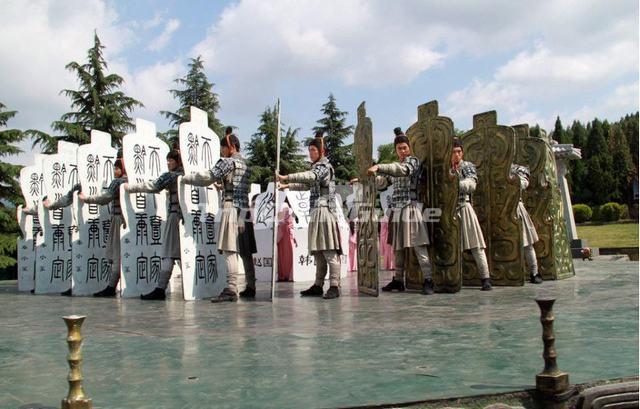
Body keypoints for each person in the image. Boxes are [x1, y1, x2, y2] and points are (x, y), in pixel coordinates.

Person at [182, 132, 257, 302]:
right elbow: (238, 186)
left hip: (230, 207)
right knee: (245, 251)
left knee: (231, 248)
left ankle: (231, 288)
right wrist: (223, 187)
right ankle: (251, 285)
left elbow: (208, 177)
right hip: (244, 209)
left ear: (231, 147)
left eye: (223, 147)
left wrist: (187, 178)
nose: (222, 151)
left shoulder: (227, 162)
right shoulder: (246, 165)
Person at [366, 132, 435, 295]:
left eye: (404, 148)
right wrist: (370, 176)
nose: (402, 151)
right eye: (399, 148)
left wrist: (380, 167)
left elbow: (402, 170)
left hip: (411, 208)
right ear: (396, 150)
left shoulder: (413, 162)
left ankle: (428, 280)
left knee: (419, 245)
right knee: (397, 248)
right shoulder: (396, 166)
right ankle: (398, 280)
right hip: (396, 211)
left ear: (409, 148)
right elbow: (383, 182)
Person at [278, 132, 342, 300]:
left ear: (322, 152)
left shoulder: (323, 168)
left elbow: (310, 177)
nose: (311, 153)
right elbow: (306, 185)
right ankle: (318, 284)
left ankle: (335, 285)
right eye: (310, 150)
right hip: (315, 212)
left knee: (329, 251)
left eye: (313, 150)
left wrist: (287, 176)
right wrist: (287, 185)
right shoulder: (316, 168)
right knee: (318, 252)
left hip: (324, 211)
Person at [125, 150, 185, 300]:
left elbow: (154, 186)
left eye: (170, 160)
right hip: (190, 220)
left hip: (175, 218)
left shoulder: (172, 176)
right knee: (185, 255)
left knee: (169, 254)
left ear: (177, 161)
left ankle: (160, 289)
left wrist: (132, 188)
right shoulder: (189, 175)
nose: (168, 163)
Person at [79, 159, 128, 297]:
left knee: (117, 255)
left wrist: (87, 199)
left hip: (119, 222)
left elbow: (105, 197)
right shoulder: (133, 181)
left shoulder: (118, 182)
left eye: (116, 168)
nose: (114, 171)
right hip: (132, 223)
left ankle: (111, 287)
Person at [451, 138, 492, 291]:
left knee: (476, 246)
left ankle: (485, 278)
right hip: (449, 211)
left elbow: (471, 184)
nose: (456, 155)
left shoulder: (467, 166)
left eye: (459, 152)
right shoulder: (445, 167)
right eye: (453, 152)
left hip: (464, 207)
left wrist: (454, 183)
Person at [511, 164, 543, 284]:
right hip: (496, 208)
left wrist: (510, 179)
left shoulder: (517, 169)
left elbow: (524, 183)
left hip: (516, 207)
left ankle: (534, 272)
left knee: (526, 243)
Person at [277, 198, 297, 282]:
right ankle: (289, 275)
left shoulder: (283, 205)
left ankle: (283, 274)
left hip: (284, 233)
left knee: (283, 255)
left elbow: (280, 221)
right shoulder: (292, 208)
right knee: (289, 255)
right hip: (289, 234)